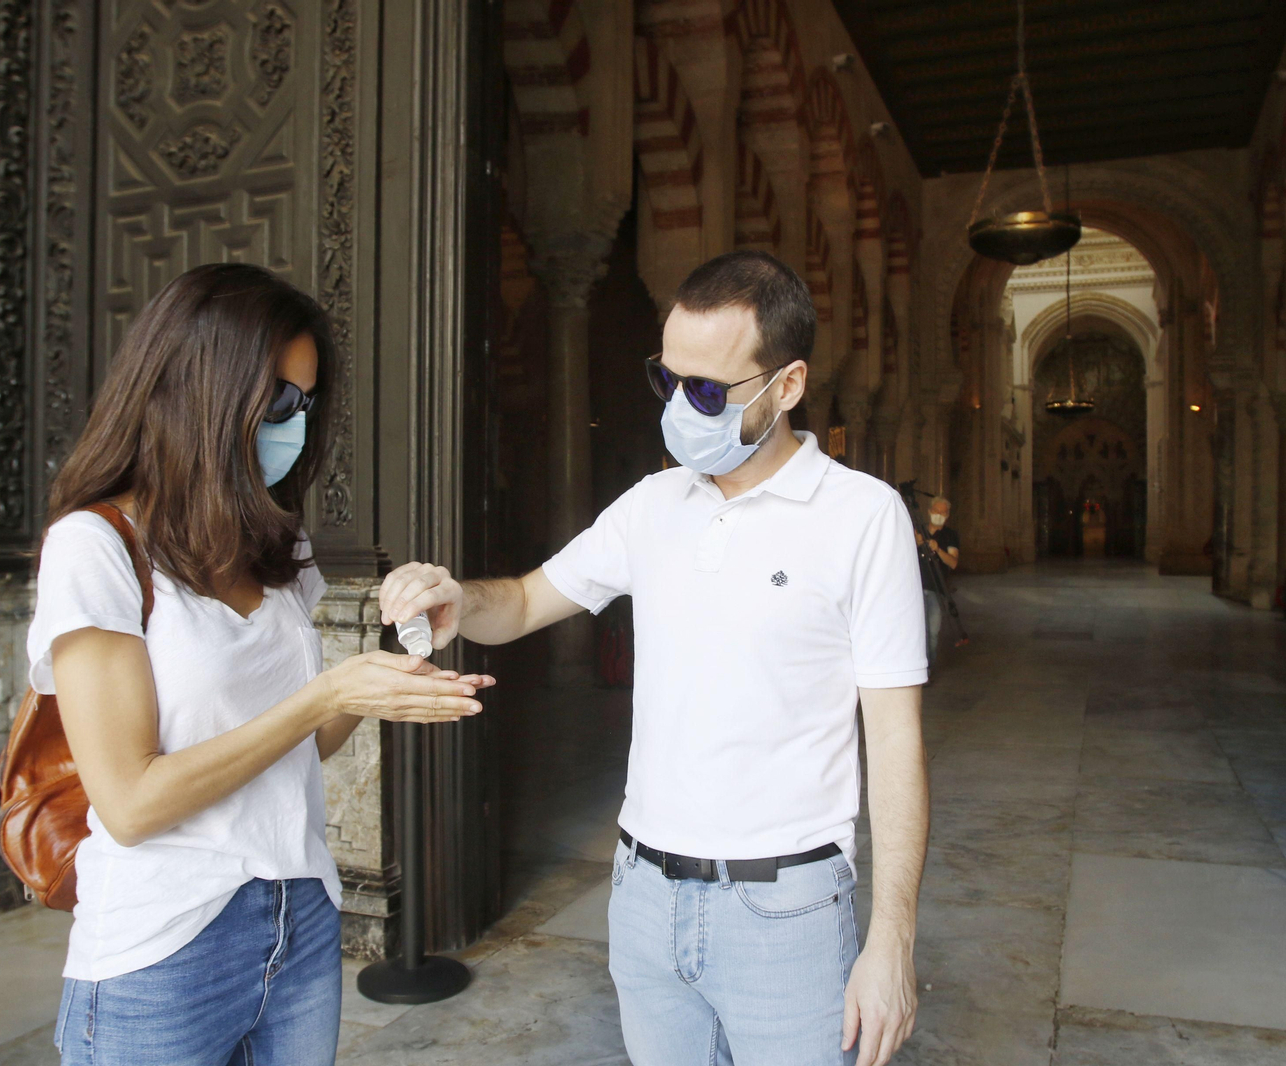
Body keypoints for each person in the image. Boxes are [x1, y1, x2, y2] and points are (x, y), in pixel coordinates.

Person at [380, 251, 930, 1066]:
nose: (679, 407)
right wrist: (457, 598)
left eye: (706, 391)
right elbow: (528, 600)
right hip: (643, 894)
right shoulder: (654, 503)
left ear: (787, 386)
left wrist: (892, 944)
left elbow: (894, 740)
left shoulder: (861, 517)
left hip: (787, 910)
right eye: (666, 379)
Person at [30, 263, 493, 1066]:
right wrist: (322, 696)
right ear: (199, 387)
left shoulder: (276, 543)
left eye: (307, 407)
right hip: (163, 946)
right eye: (280, 402)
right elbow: (132, 803)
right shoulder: (96, 547)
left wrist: (392, 661)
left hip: (301, 917)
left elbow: (308, 745)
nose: (297, 429)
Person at [918, 496, 960, 664]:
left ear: (948, 515)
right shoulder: (918, 531)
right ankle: (921, 668)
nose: (939, 515)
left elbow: (953, 562)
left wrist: (938, 550)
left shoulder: (950, 535)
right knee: (919, 631)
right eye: (936, 511)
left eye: (943, 512)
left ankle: (929, 665)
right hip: (916, 587)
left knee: (933, 631)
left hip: (937, 588)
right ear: (929, 512)